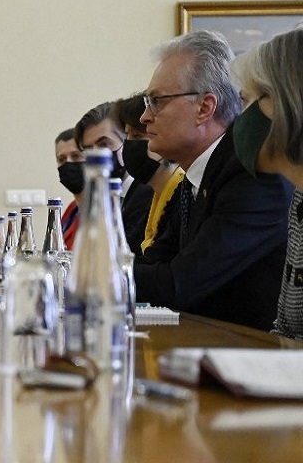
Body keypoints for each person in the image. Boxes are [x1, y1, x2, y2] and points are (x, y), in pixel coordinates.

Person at [134, 30, 292, 330]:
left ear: (205, 108)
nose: (144, 117)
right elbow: (155, 261)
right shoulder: (196, 176)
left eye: (156, 101)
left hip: (256, 352)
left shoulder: (254, 174)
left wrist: (88, 274)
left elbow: (178, 284)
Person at [229, 30, 303, 339]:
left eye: (246, 101)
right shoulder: (298, 199)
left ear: (283, 102)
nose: (240, 118)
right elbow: (285, 329)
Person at [74, 101, 154, 254]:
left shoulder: (146, 192)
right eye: (89, 149)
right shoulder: (100, 199)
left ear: (126, 140)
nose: (97, 154)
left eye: (104, 144)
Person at [113, 92, 185, 252]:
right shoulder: (156, 193)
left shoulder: (181, 194)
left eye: (137, 135)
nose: (129, 145)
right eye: (127, 136)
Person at [54, 128, 84, 249]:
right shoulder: (72, 208)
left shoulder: (101, 210)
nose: (68, 163)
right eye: (62, 159)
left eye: (75, 156)